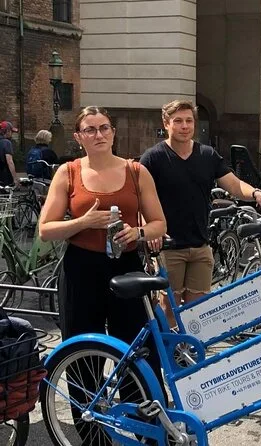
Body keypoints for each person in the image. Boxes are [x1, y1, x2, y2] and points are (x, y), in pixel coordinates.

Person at [38, 106, 167, 443]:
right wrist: (83, 222)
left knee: (138, 352)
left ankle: (150, 432)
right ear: (79, 137)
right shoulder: (68, 172)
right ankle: (93, 435)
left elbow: (159, 223)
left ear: (113, 132)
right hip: (81, 269)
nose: (98, 135)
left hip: (126, 269)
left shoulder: (136, 171)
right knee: (82, 354)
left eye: (104, 128)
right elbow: (46, 229)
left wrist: (137, 233)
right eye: (90, 129)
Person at [140, 99, 261, 326]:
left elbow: (234, 184)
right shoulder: (153, 158)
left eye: (189, 121)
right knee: (168, 306)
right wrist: (148, 228)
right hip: (168, 247)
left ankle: (190, 348)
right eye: (178, 121)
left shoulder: (207, 155)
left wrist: (255, 193)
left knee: (198, 311)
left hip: (200, 245)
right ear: (166, 123)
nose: (184, 126)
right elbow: (140, 197)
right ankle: (170, 348)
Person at [0, 121, 19, 186]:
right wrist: (15, 179)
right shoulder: (6, 143)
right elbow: (10, 162)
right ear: (7, 131)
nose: (12, 134)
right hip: (4, 177)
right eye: (11, 131)